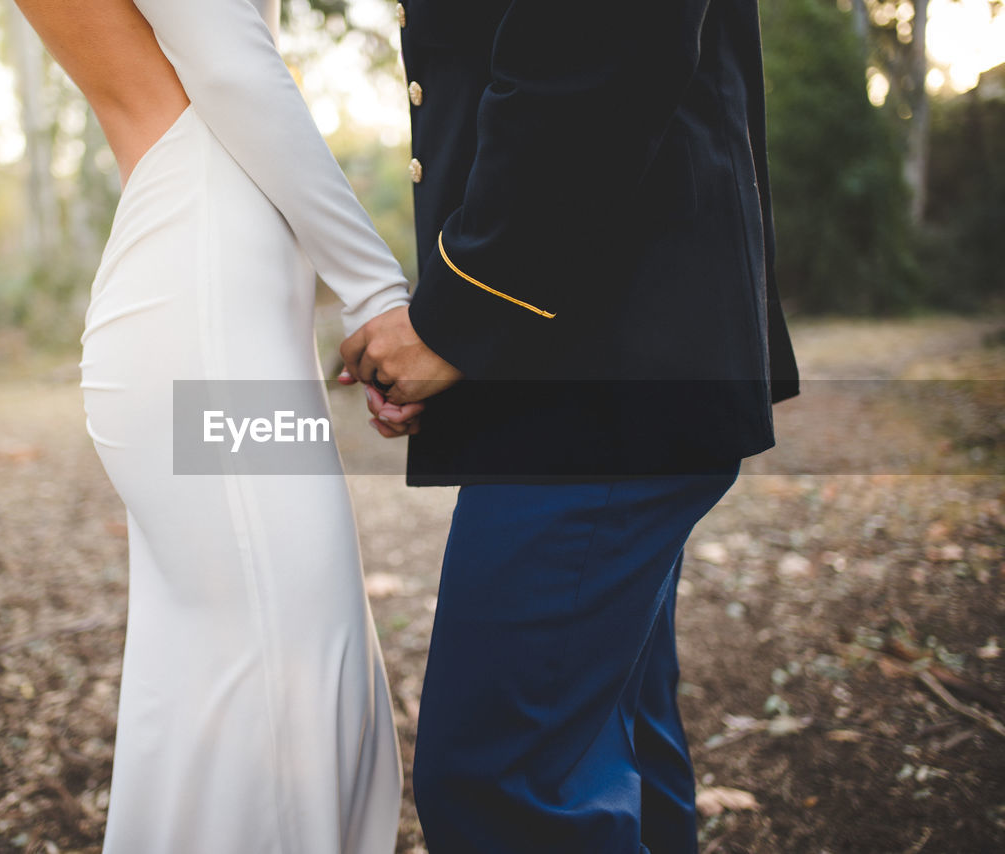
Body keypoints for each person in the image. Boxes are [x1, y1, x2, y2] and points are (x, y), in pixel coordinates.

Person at [339, 1, 801, 852]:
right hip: (593, 344)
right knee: (606, 742)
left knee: (502, 782)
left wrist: (461, 310)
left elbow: (600, 36)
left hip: (600, 347)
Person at [10, 1, 410, 851]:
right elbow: (231, 68)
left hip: (222, 312)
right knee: (286, 686)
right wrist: (376, 289)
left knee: (232, 684)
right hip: (206, 318)